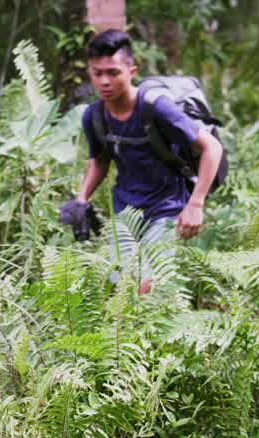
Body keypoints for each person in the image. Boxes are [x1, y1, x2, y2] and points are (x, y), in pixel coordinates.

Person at [60, 29, 224, 294]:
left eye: (113, 73)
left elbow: (212, 147)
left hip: (166, 207)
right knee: (120, 284)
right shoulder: (94, 116)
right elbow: (100, 160)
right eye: (97, 73)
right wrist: (82, 199)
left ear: (131, 71)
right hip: (125, 211)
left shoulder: (156, 107)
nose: (104, 81)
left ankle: (152, 331)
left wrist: (196, 203)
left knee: (147, 285)